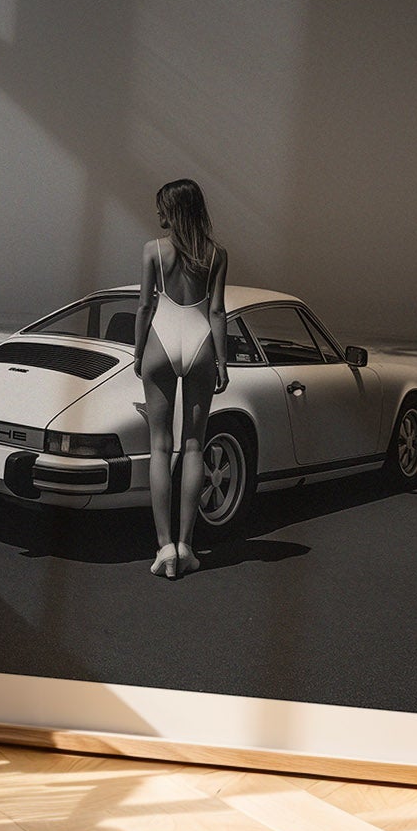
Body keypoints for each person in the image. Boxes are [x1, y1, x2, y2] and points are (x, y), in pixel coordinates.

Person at [134, 179, 229, 578]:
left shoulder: (154, 250)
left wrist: (138, 353)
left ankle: (164, 549)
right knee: (193, 447)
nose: (158, 215)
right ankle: (187, 546)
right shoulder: (216, 254)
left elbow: (143, 307)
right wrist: (222, 362)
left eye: (162, 208)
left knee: (160, 447)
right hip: (201, 342)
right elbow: (218, 312)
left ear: (173, 211)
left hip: (160, 340)